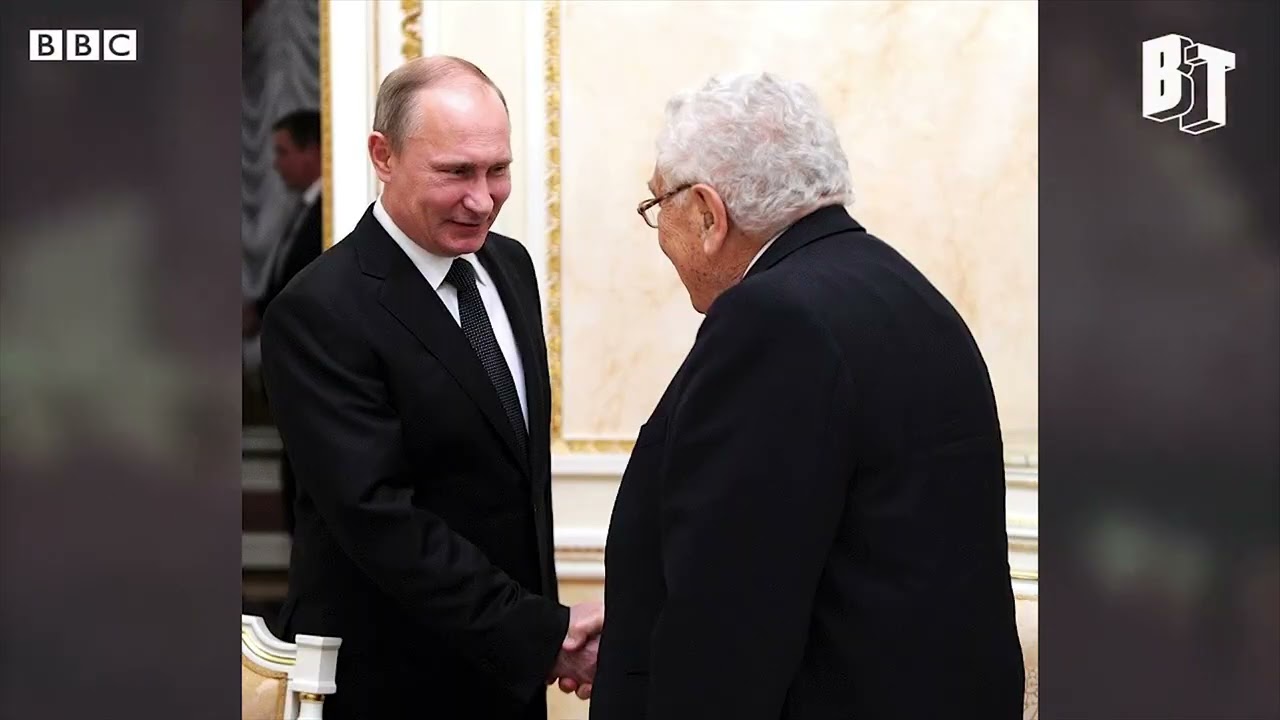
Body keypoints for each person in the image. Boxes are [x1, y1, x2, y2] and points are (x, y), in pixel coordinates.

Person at [587, 72, 1025, 719]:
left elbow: (732, 619)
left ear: (708, 213)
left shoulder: (771, 321)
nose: (659, 232)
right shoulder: (907, 290)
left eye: (659, 205)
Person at [260, 56, 601, 720]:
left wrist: (533, 639)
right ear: (382, 156)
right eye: (455, 172)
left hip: (505, 678)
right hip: (388, 685)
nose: (483, 199)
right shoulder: (319, 310)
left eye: (497, 169)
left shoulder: (509, 266)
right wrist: (543, 635)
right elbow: (378, 518)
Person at [245, 108, 324, 536]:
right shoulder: (305, 209)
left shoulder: (329, 212)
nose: (275, 164)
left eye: (282, 152)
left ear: (313, 151)